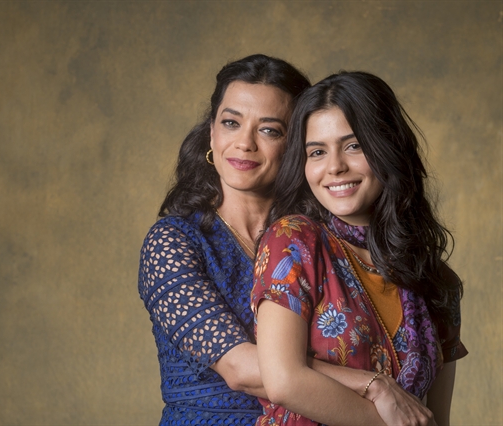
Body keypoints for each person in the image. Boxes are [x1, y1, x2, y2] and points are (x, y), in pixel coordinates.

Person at [251, 71, 468, 426]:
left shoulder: (435, 280)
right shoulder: (294, 242)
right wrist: (377, 387)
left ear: (388, 147)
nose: (335, 167)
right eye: (317, 151)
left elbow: (436, 418)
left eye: (353, 146)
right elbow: (283, 381)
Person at [137, 54, 311, 424]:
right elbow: (241, 368)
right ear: (211, 134)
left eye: (269, 130)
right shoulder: (172, 242)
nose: (244, 143)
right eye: (231, 123)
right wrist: (373, 389)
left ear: (296, 144)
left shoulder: (311, 240)